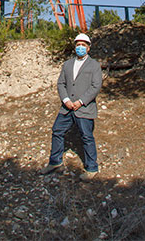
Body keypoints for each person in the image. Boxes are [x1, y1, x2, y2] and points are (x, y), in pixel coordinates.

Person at [39, 33, 103, 180]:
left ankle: (92, 168)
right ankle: (55, 162)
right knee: (57, 131)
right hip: (67, 107)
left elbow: (96, 86)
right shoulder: (67, 64)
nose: (80, 47)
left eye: (83, 45)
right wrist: (66, 99)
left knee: (87, 137)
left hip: (84, 108)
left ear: (88, 48)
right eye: (78, 45)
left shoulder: (94, 65)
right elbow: (61, 83)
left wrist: (81, 101)